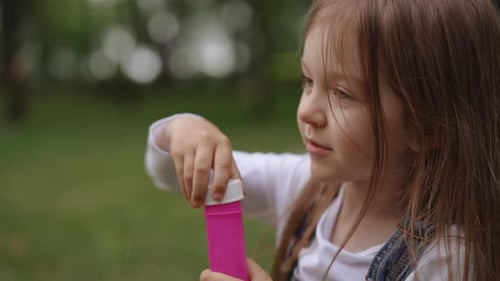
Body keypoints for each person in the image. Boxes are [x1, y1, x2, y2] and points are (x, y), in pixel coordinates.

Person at [144, 0, 500, 280]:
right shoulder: (306, 188)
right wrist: (185, 130)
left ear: (425, 127)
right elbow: (167, 173)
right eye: (308, 81)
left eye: (343, 93)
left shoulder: (445, 259)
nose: (308, 112)